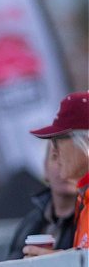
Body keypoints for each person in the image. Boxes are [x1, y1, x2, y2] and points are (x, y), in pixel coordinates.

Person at [27, 90, 89, 253]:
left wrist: (57, 265)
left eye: (57, 140)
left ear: (85, 141)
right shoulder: (84, 199)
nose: (53, 152)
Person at [5, 141, 78, 259]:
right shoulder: (29, 223)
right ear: (45, 168)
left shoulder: (85, 220)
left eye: (72, 157)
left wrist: (64, 263)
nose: (63, 165)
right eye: (55, 157)